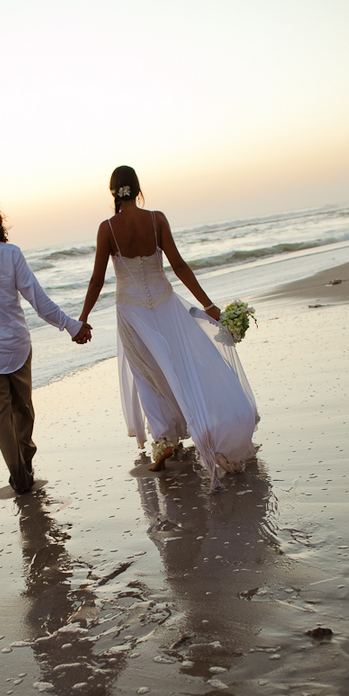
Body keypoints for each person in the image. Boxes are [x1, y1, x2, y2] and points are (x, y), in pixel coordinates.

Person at [78, 166, 258, 493]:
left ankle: (162, 440)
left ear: (113, 192)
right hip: (164, 304)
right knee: (182, 365)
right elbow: (178, 265)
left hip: (132, 311)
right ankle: (202, 423)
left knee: (147, 373)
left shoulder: (107, 228)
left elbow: (97, 279)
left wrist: (83, 317)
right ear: (137, 189)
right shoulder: (156, 219)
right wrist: (207, 305)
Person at [0, 192, 92, 495]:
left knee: (1, 417)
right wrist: (71, 326)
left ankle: (19, 477)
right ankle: (26, 464)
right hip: (16, 344)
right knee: (23, 410)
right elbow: (37, 300)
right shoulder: (10, 253)